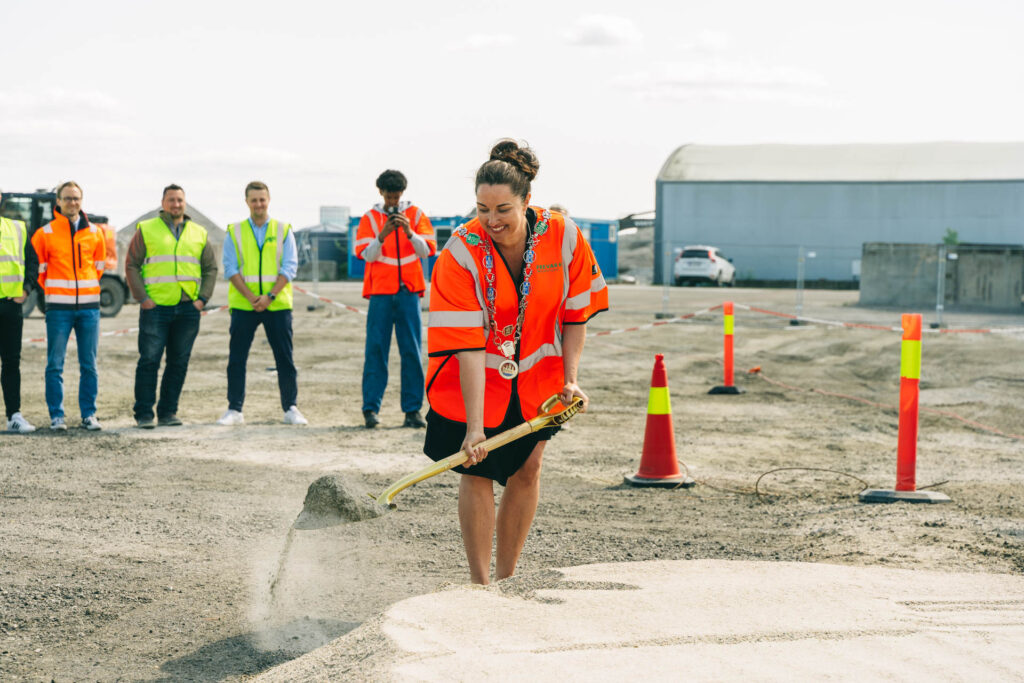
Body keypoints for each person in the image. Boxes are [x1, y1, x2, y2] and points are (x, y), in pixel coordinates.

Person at [424, 140, 608, 584]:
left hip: (537, 383)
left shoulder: (564, 236)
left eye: (503, 209)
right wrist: (474, 427)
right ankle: (479, 583)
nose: (492, 221)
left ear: (527, 202)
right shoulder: (459, 253)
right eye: (482, 209)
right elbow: (466, 345)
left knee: (528, 468)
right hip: (470, 383)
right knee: (476, 467)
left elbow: (575, 312)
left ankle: (507, 579)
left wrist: (571, 378)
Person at [125, 184, 218, 428]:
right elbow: (132, 265)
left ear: (184, 203)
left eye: (179, 200)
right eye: (171, 200)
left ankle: (168, 412)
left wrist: (202, 299)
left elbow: (210, 268)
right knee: (149, 361)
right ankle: (144, 414)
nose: (176, 204)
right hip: (155, 308)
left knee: (178, 362)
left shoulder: (199, 232)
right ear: (163, 203)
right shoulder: (147, 229)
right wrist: (143, 298)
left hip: (188, 308)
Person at [216, 181, 307, 426]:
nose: (259, 204)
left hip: (276, 305)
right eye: (254, 200)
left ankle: (290, 408)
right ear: (246, 202)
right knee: (237, 359)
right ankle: (234, 409)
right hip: (244, 306)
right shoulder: (234, 231)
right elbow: (230, 268)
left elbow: (290, 267)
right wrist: (251, 297)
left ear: (269, 200)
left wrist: (269, 296)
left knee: (284, 359)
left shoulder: (283, 229)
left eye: (262, 199)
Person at [354, 170, 436, 429]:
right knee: (376, 350)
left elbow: (427, 251)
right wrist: (383, 234)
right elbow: (366, 255)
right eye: (389, 196)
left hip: (408, 292)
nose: (392, 201)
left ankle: (412, 411)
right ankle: (370, 410)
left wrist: (409, 232)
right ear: (380, 192)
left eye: (397, 196)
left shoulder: (416, 215)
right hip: (380, 292)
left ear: (402, 193)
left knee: (411, 351)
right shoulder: (370, 218)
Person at [30, 181, 105, 431]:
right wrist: (57, 292)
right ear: (58, 202)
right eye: (68, 198)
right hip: (58, 310)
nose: (73, 202)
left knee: (89, 364)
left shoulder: (95, 232)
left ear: (81, 201)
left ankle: (89, 414)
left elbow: (99, 267)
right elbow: (40, 271)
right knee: (55, 364)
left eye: (76, 198)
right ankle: (57, 416)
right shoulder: (45, 233)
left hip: (89, 310)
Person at [0, 190, 39, 433]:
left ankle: (13, 415)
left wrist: (25, 290)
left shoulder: (17, 228)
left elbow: (33, 262)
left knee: (11, 362)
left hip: (10, 307)